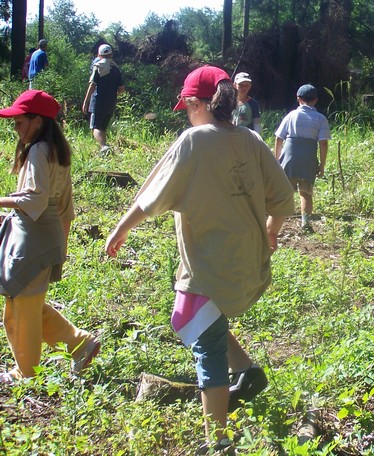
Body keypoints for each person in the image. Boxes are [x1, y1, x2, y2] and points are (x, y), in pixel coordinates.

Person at [104, 66, 294, 453]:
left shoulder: (194, 140)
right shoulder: (252, 140)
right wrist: (271, 231)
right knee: (201, 319)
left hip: (208, 260)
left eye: (187, 106)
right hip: (244, 256)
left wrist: (120, 228)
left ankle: (218, 442)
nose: (186, 113)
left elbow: (152, 199)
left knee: (200, 336)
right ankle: (247, 370)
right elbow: (284, 197)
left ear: (197, 103)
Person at [0, 90, 100, 382]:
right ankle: (79, 342)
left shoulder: (37, 151)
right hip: (46, 235)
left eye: (19, 122)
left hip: (32, 237)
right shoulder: (57, 151)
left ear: (38, 122)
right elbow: (65, 207)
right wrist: (61, 247)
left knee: (22, 308)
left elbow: (34, 200)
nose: (16, 128)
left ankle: (26, 372)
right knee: (22, 303)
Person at [274, 84, 331, 230]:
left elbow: (279, 138)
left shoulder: (291, 115)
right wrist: (322, 165)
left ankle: (275, 222)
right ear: (316, 100)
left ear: (298, 99)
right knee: (306, 192)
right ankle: (306, 223)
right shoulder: (321, 118)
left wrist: (277, 158)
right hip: (308, 157)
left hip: (289, 157)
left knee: (285, 192)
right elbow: (323, 143)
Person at [82, 44, 125, 154]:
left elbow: (92, 85)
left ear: (99, 55)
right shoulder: (116, 68)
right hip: (111, 102)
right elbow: (121, 88)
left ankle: (104, 147)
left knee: (96, 127)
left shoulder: (98, 67)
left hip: (97, 101)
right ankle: (104, 150)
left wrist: (85, 102)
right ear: (111, 54)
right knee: (103, 127)